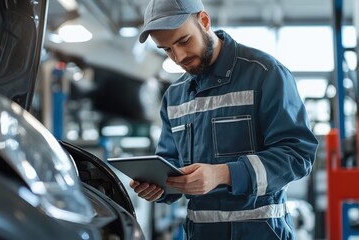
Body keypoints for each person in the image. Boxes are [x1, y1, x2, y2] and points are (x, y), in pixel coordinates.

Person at [130, 0, 319, 239]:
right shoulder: (174, 97)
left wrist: (223, 174)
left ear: (204, 21)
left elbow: (298, 154)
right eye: (166, 49)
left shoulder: (265, 74)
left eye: (183, 41)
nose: (178, 57)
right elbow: (171, 166)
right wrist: (158, 188)